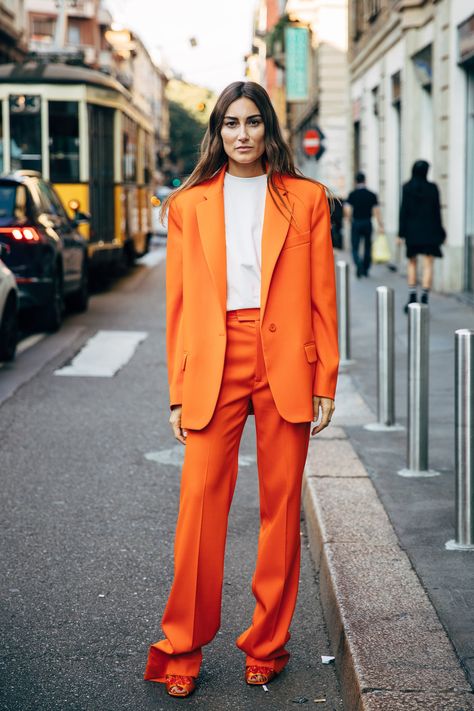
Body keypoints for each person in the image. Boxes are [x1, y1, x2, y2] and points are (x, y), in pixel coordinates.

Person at [143, 81, 339, 698]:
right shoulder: (189, 203)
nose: (243, 134)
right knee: (199, 507)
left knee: (280, 512)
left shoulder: (306, 199)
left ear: (269, 129)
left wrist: (324, 375)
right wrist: (177, 388)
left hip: (285, 360)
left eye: (253, 122)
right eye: (231, 123)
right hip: (213, 361)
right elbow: (177, 305)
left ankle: (268, 644)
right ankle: (182, 650)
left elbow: (322, 296)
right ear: (217, 132)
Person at [398, 160, 445, 312]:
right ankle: (424, 297)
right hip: (430, 230)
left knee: (412, 262)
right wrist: (440, 232)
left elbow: (403, 211)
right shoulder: (433, 188)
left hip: (412, 231)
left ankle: (412, 296)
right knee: (428, 263)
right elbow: (437, 212)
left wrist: (401, 233)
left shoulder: (407, 188)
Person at [344, 172, 384, 277]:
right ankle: (366, 268)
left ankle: (358, 264)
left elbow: (347, 210)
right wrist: (380, 225)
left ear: (355, 181)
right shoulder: (371, 194)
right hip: (367, 222)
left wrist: (348, 219)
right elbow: (376, 211)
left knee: (355, 247)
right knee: (367, 246)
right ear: (365, 181)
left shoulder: (352, 194)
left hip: (356, 222)